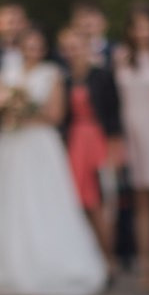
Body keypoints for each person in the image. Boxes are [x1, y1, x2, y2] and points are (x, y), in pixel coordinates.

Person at [0, 28, 107, 295]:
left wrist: (26, 109)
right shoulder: (6, 71)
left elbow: (56, 115)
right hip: (8, 145)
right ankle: (8, 271)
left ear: (44, 49)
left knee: (43, 204)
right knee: (9, 207)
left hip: (39, 146)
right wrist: (9, 107)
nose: (32, 50)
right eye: (28, 45)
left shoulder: (51, 74)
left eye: (37, 46)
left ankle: (50, 267)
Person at [113, 3, 149, 291]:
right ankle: (145, 266)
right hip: (132, 134)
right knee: (140, 203)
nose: (143, 31)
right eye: (137, 26)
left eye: (148, 25)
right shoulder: (121, 58)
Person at [59, 27, 123, 269]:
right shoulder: (65, 79)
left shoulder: (102, 76)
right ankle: (94, 259)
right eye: (68, 48)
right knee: (82, 202)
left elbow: (114, 115)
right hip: (75, 143)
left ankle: (110, 259)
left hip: (98, 141)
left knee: (103, 203)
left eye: (76, 46)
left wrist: (114, 150)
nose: (72, 52)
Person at [0, 0, 29, 74]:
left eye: (19, 22)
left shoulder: (44, 54)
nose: (14, 27)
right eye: (10, 23)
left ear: (26, 23)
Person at [70, 0, 114, 69]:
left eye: (93, 16)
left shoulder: (116, 50)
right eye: (82, 16)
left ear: (104, 22)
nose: (87, 21)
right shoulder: (64, 52)